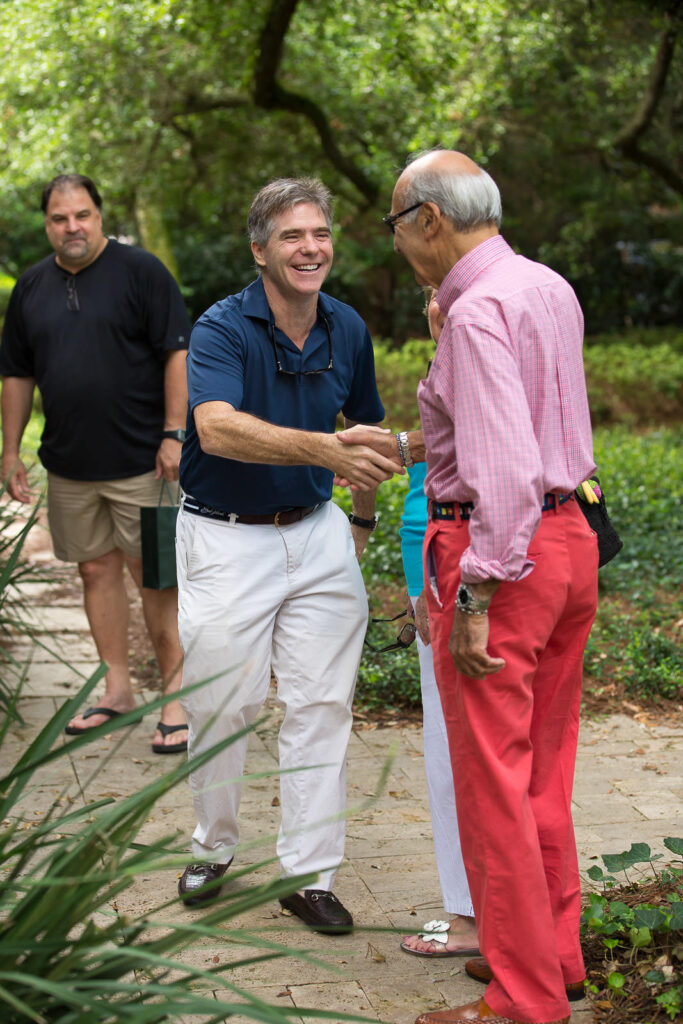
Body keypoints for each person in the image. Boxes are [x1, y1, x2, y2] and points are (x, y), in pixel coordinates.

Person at [343, 150, 598, 1024]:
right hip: (567, 544)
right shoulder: (543, 285)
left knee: (493, 785)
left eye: (394, 223)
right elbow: (517, 428)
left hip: (501, 555)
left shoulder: (477, 311)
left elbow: (503, 468)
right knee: (541, 772)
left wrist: (476, 597)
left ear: (428, 219)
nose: (395, 241)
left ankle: (523, 998)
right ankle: (553, 959)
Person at [175, 177, 400, 931]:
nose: (310, 248)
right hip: (224, 535)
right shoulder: (220, 327)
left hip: (317, 531)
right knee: (222, 704)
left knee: (323, 704)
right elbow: (215, 428)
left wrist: (360, 521)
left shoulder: (347, 326)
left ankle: (308, 876)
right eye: (292, 236)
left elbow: (364, 433)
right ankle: (213, 846)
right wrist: (323, 449)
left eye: (320, 233)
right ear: (259, 250)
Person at [0, 173, 190, 754]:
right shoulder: (30, 287)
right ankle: (117, 690)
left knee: (156, 579)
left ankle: (176, 699)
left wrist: (174, 434)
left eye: (81, 215)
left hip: (144, 464)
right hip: (70, 466)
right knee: (94, 572)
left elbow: (176, 353)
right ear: (47, 225)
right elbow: (16, 374)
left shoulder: (142, 272)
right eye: (59, 219)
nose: (72, 227)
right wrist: (10, 450)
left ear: (99, 216)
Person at [398, 291, 478, 959]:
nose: (437, 303)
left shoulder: (472, 359)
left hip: (470, 581)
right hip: (440, 577)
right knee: (451, 750)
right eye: (430, 292)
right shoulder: (448, 360)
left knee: (461, 754)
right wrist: (414, 587)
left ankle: (474, 919)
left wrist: (437, 592)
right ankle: (475, 909)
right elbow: (419, 497)